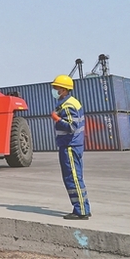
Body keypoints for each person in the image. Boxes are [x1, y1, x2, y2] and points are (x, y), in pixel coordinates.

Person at [50, 74, 91, 220]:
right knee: (76, 177)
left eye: (56, 88)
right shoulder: (72, 102)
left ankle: (81, 211)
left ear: (64, 90)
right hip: (73, 145)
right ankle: (84, 207)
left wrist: (57, 119)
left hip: (69, 146)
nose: (54, 90)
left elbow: (71, 127)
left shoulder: (67, 105)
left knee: (72, 178)